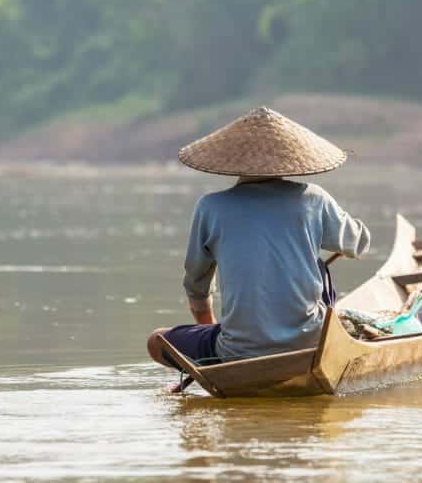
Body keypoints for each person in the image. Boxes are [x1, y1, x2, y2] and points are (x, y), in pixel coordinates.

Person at [146, 106, 370, 381]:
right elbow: (358, 243)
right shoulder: (314, 199)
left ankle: (222, 358)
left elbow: (197, 287)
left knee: (156, 341)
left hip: (236, 351)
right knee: (320, 268)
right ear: (290, 160)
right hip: (311, 345)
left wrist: (215, 345)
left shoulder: (211, 207)